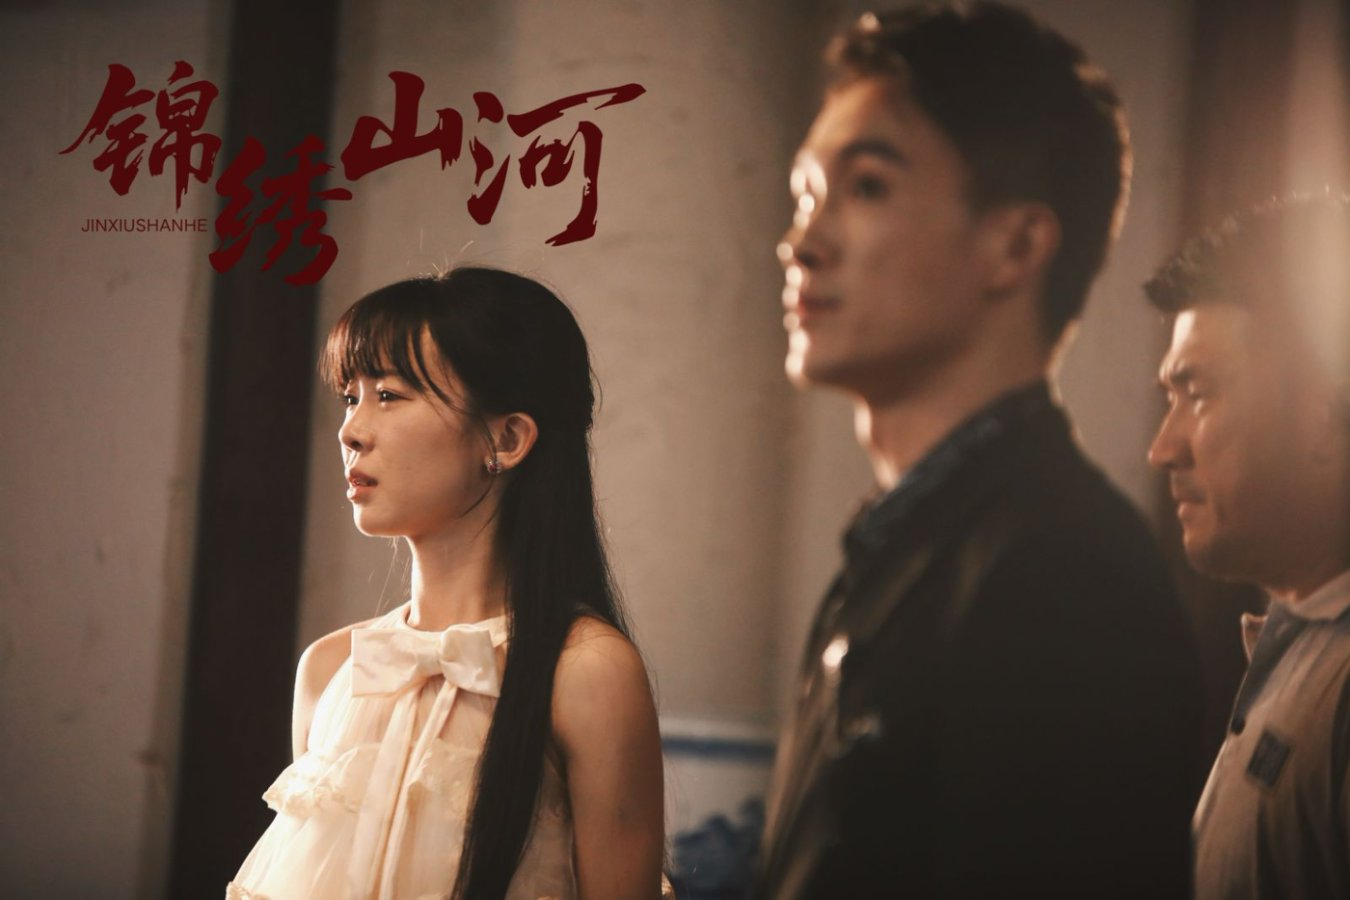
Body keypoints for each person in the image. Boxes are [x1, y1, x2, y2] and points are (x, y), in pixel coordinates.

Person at [757, 4, 1204, 898]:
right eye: (807, 195)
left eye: (866, 187)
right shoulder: (902, 545)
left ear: (1016, 244)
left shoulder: (1063, 573)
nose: (801, 242)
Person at [226, 267, 666, 900]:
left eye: (390, 395)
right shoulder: (333, 668)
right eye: (351, 396)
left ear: (506, 438)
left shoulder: (586, 671)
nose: (351, 431)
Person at [1146, 194, 1350, 900]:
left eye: (1197, 393)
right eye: (1169, 398)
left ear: (1322, 422)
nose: (1162, 448)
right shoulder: (1303, 644)